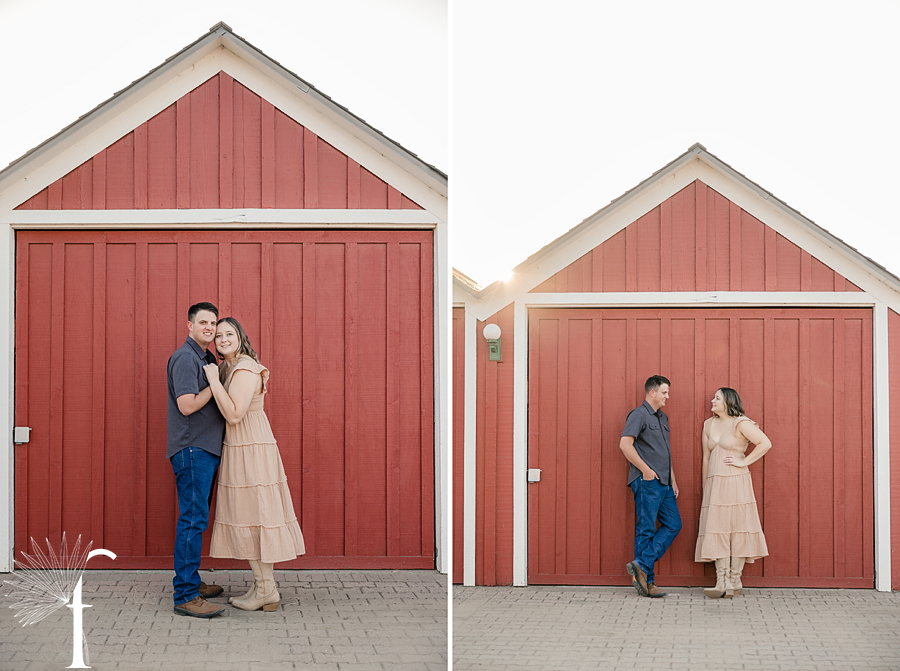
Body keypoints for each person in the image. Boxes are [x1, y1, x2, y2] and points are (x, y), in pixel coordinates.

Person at [203, 317, 306, 612]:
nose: (223, 339)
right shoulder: (228, 367)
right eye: (218, 335)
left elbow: (234, 415)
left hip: (252, 446)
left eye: (229, 334)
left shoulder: (246, 367)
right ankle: (264, 586)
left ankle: (266, 589)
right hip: (238, 445)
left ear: (240, 336)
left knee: (257, 514)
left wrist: (212, 379)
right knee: (249, 514)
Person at [166, 302, 226, 618]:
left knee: (196, 518)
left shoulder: (205, 358)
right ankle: (186, 595)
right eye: (203, 322)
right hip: (193, 450)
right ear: (189, 325)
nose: (209, 327)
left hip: (204, 450)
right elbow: (187, 406)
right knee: (192, 519)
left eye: (213, 322)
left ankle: (192, 582)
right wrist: (215, 386)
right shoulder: (186, 358)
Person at [695, 387, 771, 598]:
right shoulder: (708, 424)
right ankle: (722, 581)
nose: (712, 400)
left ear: (728, 402)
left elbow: (765, 443)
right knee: (717, 527)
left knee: (738, 528)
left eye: (717, 398)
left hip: (737, 482)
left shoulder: (741, 423)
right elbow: (706, 458)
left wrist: (744, 461)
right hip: (715, 485)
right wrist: (705, 486)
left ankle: (734, 580)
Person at [620, 375, 682, 598]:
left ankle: (642, 565)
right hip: (647, 482)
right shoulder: (639, 415)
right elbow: (625, 445)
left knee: (674, 524)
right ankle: (648, 583)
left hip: (664, 483)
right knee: (646, 529)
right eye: (664, 392)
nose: (667, 396)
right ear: (652, 392)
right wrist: (646, 471)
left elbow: (666, 452)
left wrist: (672, 479)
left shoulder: (662, 418)